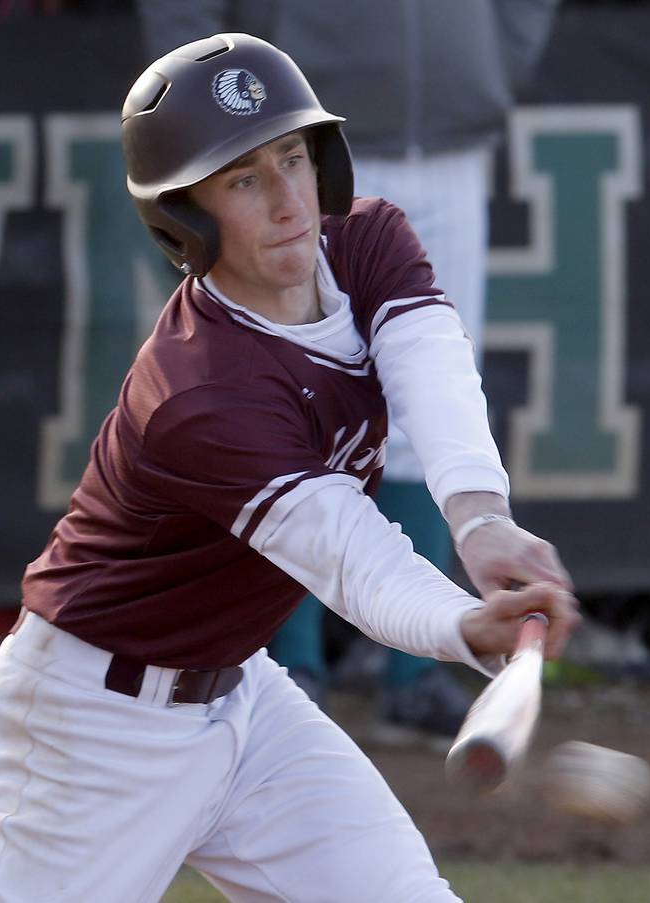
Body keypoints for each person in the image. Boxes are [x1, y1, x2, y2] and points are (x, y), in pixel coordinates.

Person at [0, 34, 579, 902]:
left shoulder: (366, 242)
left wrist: (482, 524)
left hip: (242, 698)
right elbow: (346, 553)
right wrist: (463, 625)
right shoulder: (197, 393)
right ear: (185, 217)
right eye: (244, 180)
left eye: (292, 158)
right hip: (88, 731)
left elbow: (432, 370)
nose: (290, 200)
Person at [136, 0, 565, 738]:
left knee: (431, 387)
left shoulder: (378, 233)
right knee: (281, 422)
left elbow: (434, 369)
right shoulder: (192, 380)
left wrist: (492, 65)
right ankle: (294, 667)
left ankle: (415, 678)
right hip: (298, 132)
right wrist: (204, 130)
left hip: (452, 130)